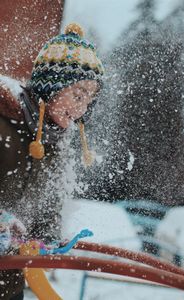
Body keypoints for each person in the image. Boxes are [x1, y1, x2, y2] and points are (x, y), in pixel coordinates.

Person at [0, 23, 104, 299]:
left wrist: (46, 239)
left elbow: (49, 208)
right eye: (78, 95)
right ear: (51, 85)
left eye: (89, 100)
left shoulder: (57, 146)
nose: (82, 109)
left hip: (8, 284)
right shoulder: (4, 123)